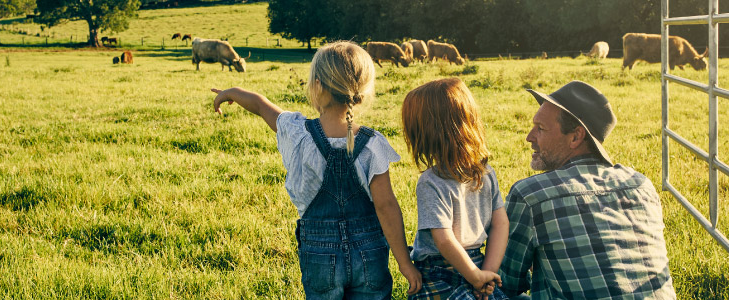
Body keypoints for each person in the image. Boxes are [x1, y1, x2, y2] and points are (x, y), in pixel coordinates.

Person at [210, 41, 421, 299]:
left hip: (320, 255)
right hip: (370, 254)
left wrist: (232, 91)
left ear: (318, 86)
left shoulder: (299, 134)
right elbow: (387, 206)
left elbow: (261, 105)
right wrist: (404, 262)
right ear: (362, 92)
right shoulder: (373, 144)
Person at [498, 80, 676, 299]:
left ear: (576, 136)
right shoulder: (641, 185)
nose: (529, 137)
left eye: (540, 129)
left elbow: (505, 282)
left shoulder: (531, 195)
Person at [401, 78, 509, 300]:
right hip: (478, 264)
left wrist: (477, 276)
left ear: (426, 133)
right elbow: (501, 224)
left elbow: (443, 240)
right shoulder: (486, 172)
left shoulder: (431, 181)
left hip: (440, 275)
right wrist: (485, 274)